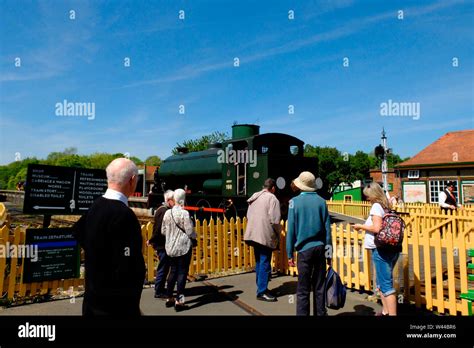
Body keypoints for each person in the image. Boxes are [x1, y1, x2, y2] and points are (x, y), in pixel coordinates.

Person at [73, 158, 145, 316]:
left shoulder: (95, 206)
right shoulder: (125, 215)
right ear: (132, 180)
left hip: (92, 303)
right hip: (116, 308)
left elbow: (77, 232)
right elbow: (130, 268)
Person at [286, 171, 332, 316]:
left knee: (303, 289)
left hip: (304, 251)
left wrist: (289, 254)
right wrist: (329, 254)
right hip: (319, 249)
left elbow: (291, 230)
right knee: (319, 286)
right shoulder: (321, 201)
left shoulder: (294, 202)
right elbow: (327, 231)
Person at [353, 182, 400, 316]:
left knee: (385, 285)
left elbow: (376, 228)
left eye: (368, 196)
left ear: (373, 195)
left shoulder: (376, 207)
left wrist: (360, 226)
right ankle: (385, 311)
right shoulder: (387, 206)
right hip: (390, 248)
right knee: (381, 282)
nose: (366, 199)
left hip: (380, 249)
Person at [244, 178, 281, 302]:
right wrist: (278, 233)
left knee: (259, 261)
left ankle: (261, 287)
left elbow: (248, 215)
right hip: (264, 235)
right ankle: (262, 291)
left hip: (253, 234)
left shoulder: (255, 197)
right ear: (273, 188)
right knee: (265, 261)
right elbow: (275, 220)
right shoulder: (272, 199)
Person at [161, 188, 196, 311]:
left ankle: (169, 298)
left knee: (173, 271)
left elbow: (163, 231)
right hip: (183, 248)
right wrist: (194, 237)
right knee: (182, 273)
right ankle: (179, 302)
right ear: (183, 199)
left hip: (170, 248)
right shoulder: (184, 213)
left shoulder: (167, 213)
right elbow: (190, 231)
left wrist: (172, 235)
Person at [147, 190, 174, 299]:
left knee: (164, 267)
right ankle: (158, 290)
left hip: (162, 243)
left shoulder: (161, 209)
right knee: (163, 267)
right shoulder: (164, 211)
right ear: (168, 200)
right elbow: (158, 229)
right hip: (162, 244)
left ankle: (160, 288)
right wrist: (152, 240)